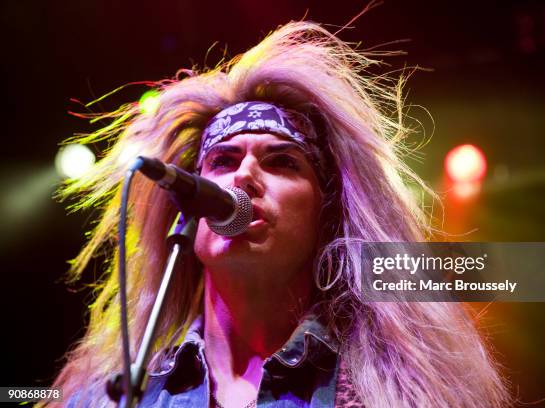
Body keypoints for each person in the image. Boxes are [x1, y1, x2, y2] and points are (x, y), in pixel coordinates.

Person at [42, 21, 511, 407]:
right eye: (222, 161)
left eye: (282, 161)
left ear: (326, 214)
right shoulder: (103, 396)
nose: (244, 176)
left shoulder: (397, 395)